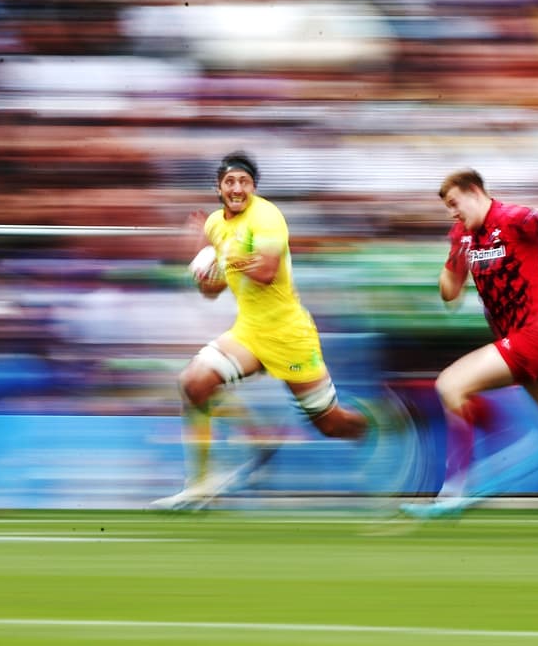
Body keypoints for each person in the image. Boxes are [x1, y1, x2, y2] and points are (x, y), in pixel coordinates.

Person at [151, 151, 374, 510]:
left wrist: (220, 255)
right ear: (219, 187)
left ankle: (382, 428)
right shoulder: (214, 224)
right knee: (194, 382)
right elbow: (213, 291)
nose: (237, 188)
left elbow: (267, 270)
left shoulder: (267, 216)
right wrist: (201, 272)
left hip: (289, 335)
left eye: (244, 182)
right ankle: (203, 482)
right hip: (250, 332)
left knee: (331, 425)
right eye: (230, 181)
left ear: (253, 188)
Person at [400, 169, 538, 519]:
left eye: (454, 203)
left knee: (451, 385)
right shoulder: (463, 235)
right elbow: (450, 293)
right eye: (447, 207)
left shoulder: (513, 218)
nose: (452, 212)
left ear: (475, 191)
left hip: (532, 337)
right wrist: (452, 261)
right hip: (521, 341)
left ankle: (453, 491)